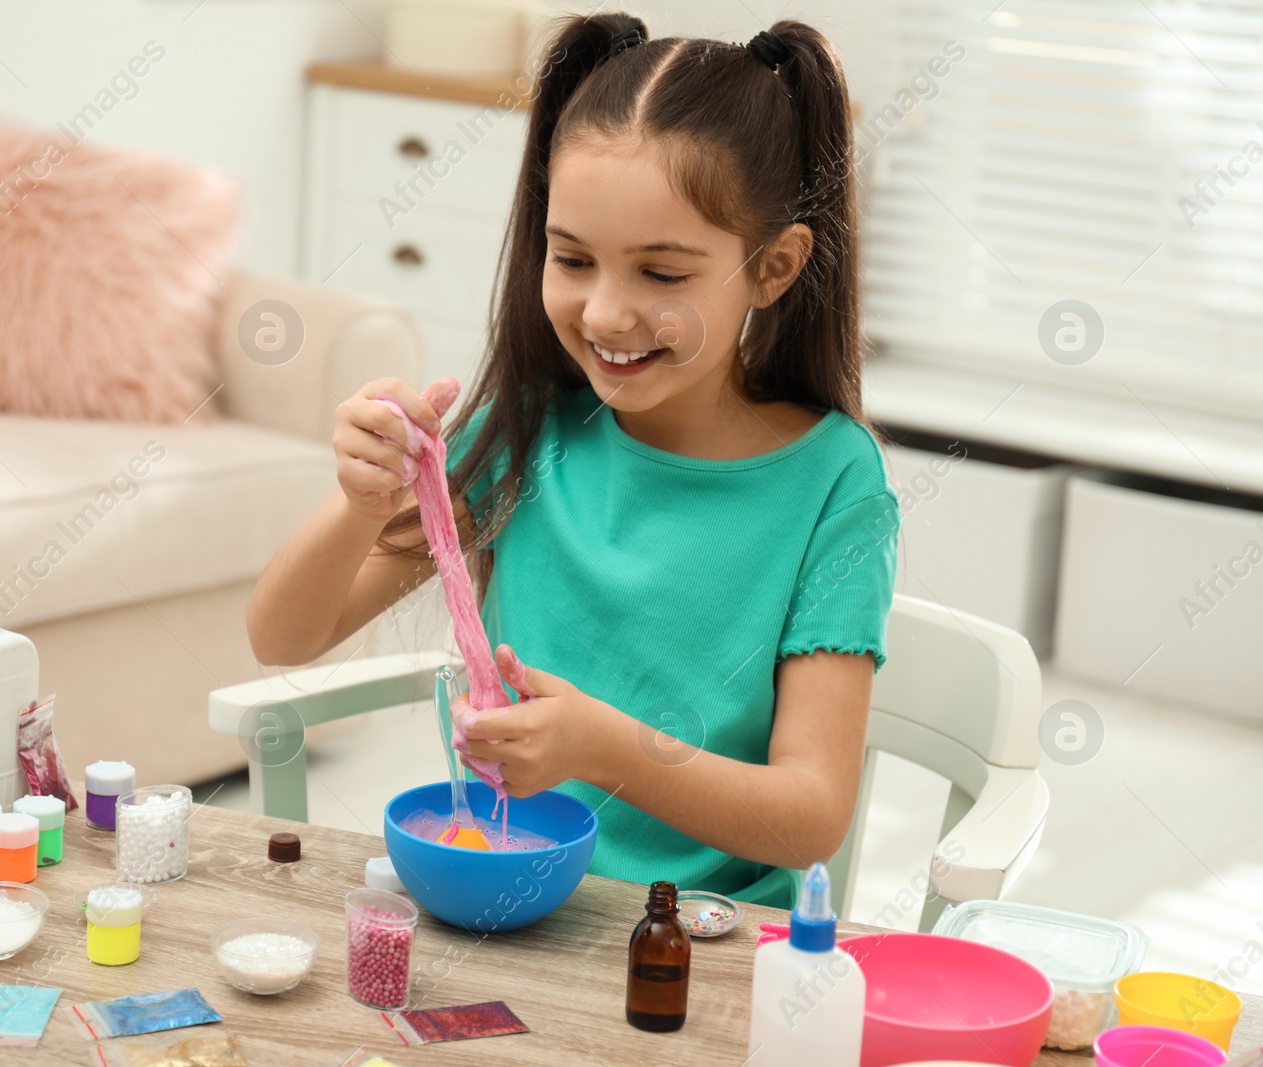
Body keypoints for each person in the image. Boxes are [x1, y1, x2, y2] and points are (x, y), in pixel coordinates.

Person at [247, 12, 899, 908]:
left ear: (775, 266)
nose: (604, 314)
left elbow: (812, 813)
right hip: (500, 899)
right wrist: (359, 502)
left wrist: (607, 748)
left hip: (697, 942)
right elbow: (283, 636)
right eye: (572, 258)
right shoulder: (526, 428)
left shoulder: (833, 483)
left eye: (662, 275)